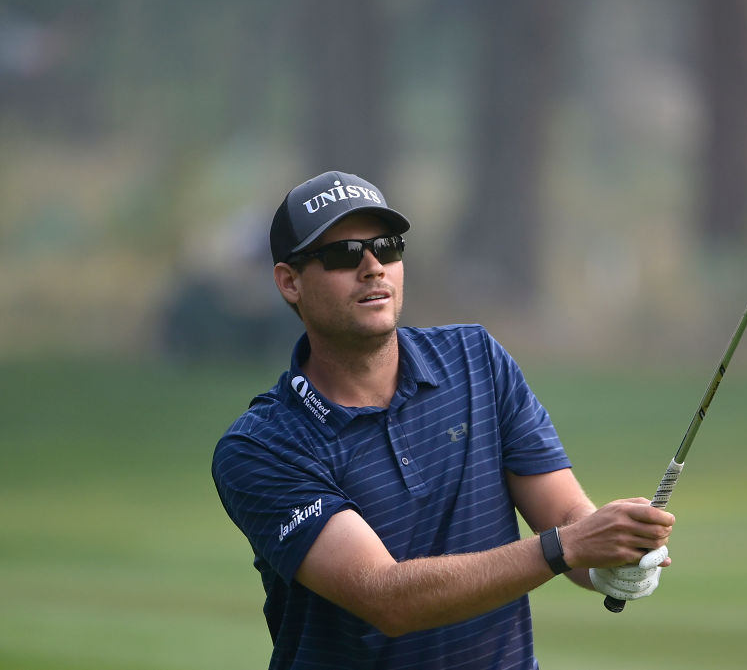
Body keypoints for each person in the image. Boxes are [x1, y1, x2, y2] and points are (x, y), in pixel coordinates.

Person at [212, 170, 675, 669]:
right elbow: (386, 598)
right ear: (290, 282)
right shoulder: (262, 446)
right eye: (344, 254)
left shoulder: (475, 358)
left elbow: (564, 516)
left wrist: (610, 559)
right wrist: (569, 547)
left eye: (387, 247)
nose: (373, 267)